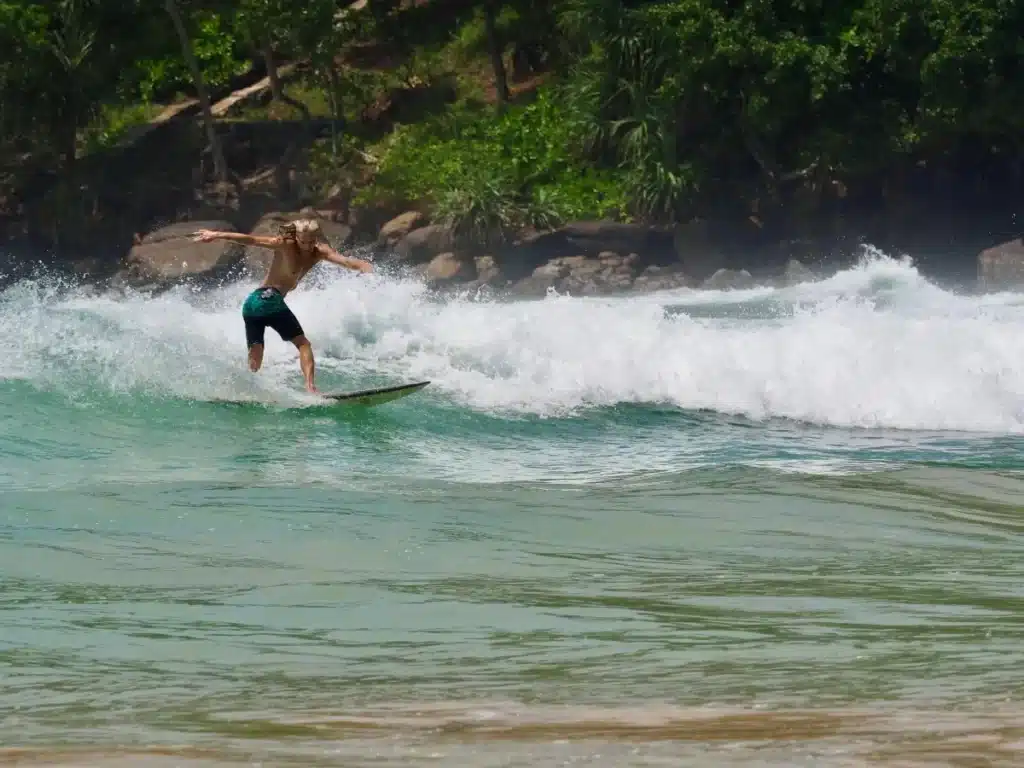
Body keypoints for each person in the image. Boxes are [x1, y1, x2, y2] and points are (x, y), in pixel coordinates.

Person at [191, 219, 372, 393]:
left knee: (256, 355)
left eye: (311, 241)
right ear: (296, 237)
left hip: (253, 302)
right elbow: (251, 240)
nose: (307, 245)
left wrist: (364, 266)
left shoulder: (319, 252)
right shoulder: (284, 245)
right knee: (303, 344)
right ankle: (310, 388)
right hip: (267, 299)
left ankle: (244, 388)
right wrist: (217, 234)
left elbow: (345, 261)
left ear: (316, 238)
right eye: (303, 241)